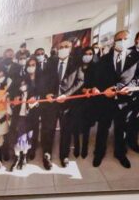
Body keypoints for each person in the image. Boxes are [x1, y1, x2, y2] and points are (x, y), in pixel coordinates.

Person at [93, 30, 139, 169]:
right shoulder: (104, 58)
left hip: (125, 100)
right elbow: (98, 78)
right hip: (107, 99)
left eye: (126, 38)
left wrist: (131, 86)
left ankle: (120, 153)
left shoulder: (137, 56)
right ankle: (99, 153)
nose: (122, 41)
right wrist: (103, 90)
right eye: (120, 39)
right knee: (103, 128)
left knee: (121, 128)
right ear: (114, 41)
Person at [38, 39, 84, 169]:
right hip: (51, 102)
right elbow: (42, 80)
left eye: (66, 46)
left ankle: (64, 156)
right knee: (48, 130)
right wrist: (46, 93)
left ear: (70, 49)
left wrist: (67, 95)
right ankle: (46, 155)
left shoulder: (76, 62)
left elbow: (80, 81)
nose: (63, 49)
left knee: (66, 130)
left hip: (66, 104)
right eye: (61, 47)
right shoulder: (51, 61)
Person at [71, 46, 100, 159]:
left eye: (90, 53)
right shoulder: (76, 66)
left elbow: (96, 82)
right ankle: (77, 147)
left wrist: (91, 89)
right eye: (86, 53)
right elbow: (72, 83)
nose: (88, 55)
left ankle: (84, 148)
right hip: (76, 99)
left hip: (89, 101)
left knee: (86, 126)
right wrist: (83, 90)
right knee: (75, 125)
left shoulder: (95, 67)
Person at [10, 60, 40, 170]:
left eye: (24, 84)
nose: (23, 86)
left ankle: (24, 156)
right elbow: (12, 105)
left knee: (29, 138)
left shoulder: (33, 92)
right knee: (20, 138)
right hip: (20, 118)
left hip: (31, 118)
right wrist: (14, 102)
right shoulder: (17, 94)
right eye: (20, 84)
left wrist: (34, 102)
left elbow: (37, 103)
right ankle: (17, 157)